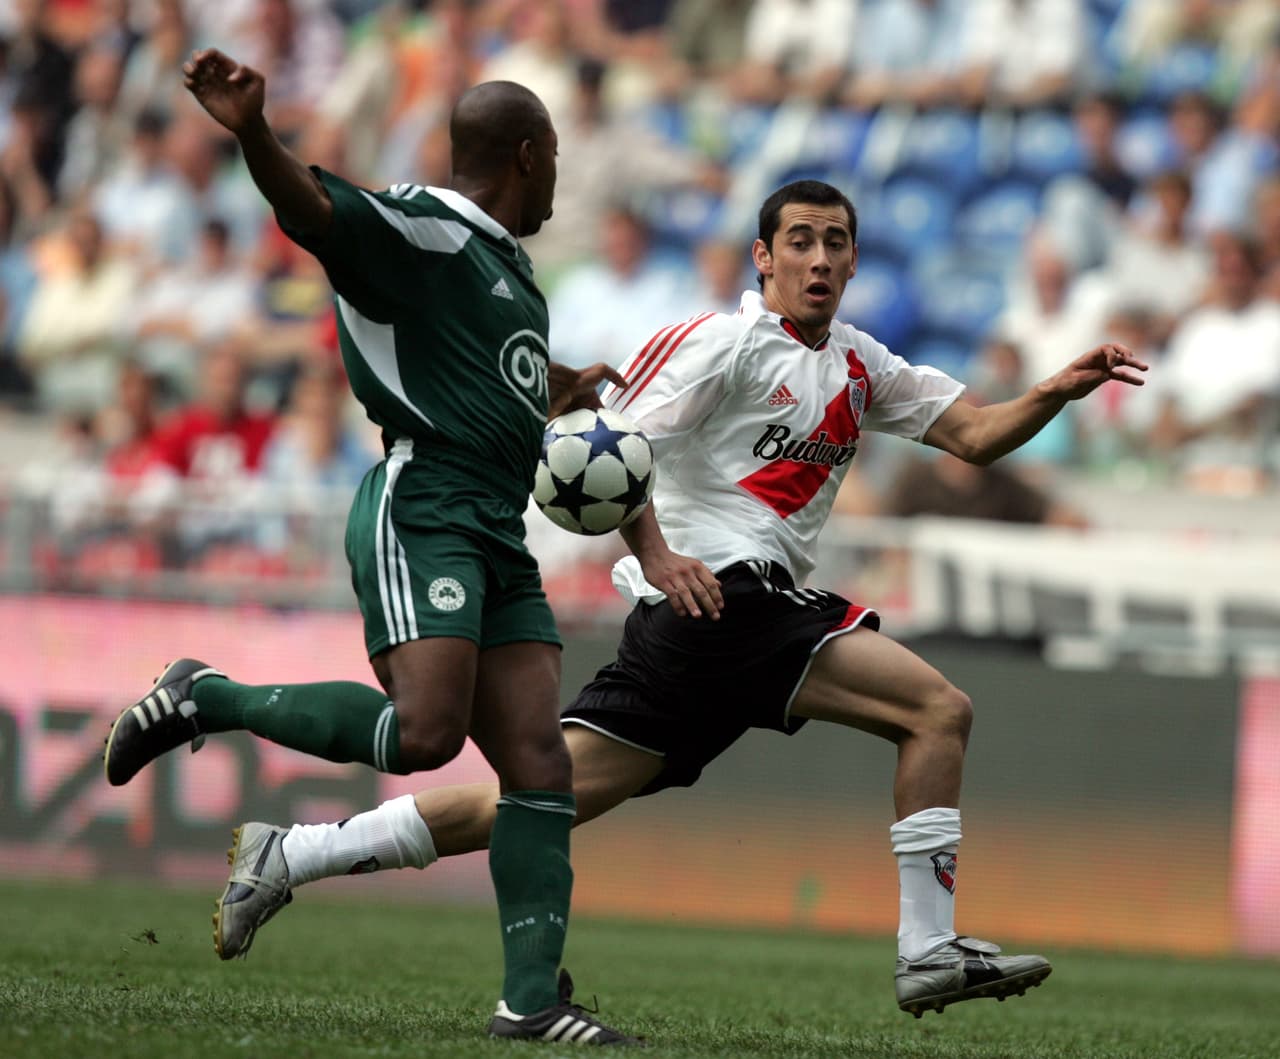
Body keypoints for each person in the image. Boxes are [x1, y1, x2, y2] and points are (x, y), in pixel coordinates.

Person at [202, 180, 1148, 1020]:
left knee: (537, 798)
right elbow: (604, 449)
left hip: (704, 631)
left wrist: (1055, 391)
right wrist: (657, 554)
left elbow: (975, 435)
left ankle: (294, 853)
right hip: (727, 596)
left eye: (836, 242)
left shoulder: (863, 364)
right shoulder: (720, 343)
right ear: (764, 256)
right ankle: (928, 949)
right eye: (801, 241)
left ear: (857, 260)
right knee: (937, 710)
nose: (820, 259)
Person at [102, 47, 662, 1046]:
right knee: (426, 733)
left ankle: (531, 1001)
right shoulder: (423, 225)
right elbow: (317, 213)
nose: (560, 177)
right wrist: (254, 131)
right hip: (425, 504)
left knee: (539, 761)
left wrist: (556, 386)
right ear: (528, 155)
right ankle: (206, 697)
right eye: (556, 158)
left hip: (495, 526)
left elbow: (473, 364)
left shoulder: (507, 269)